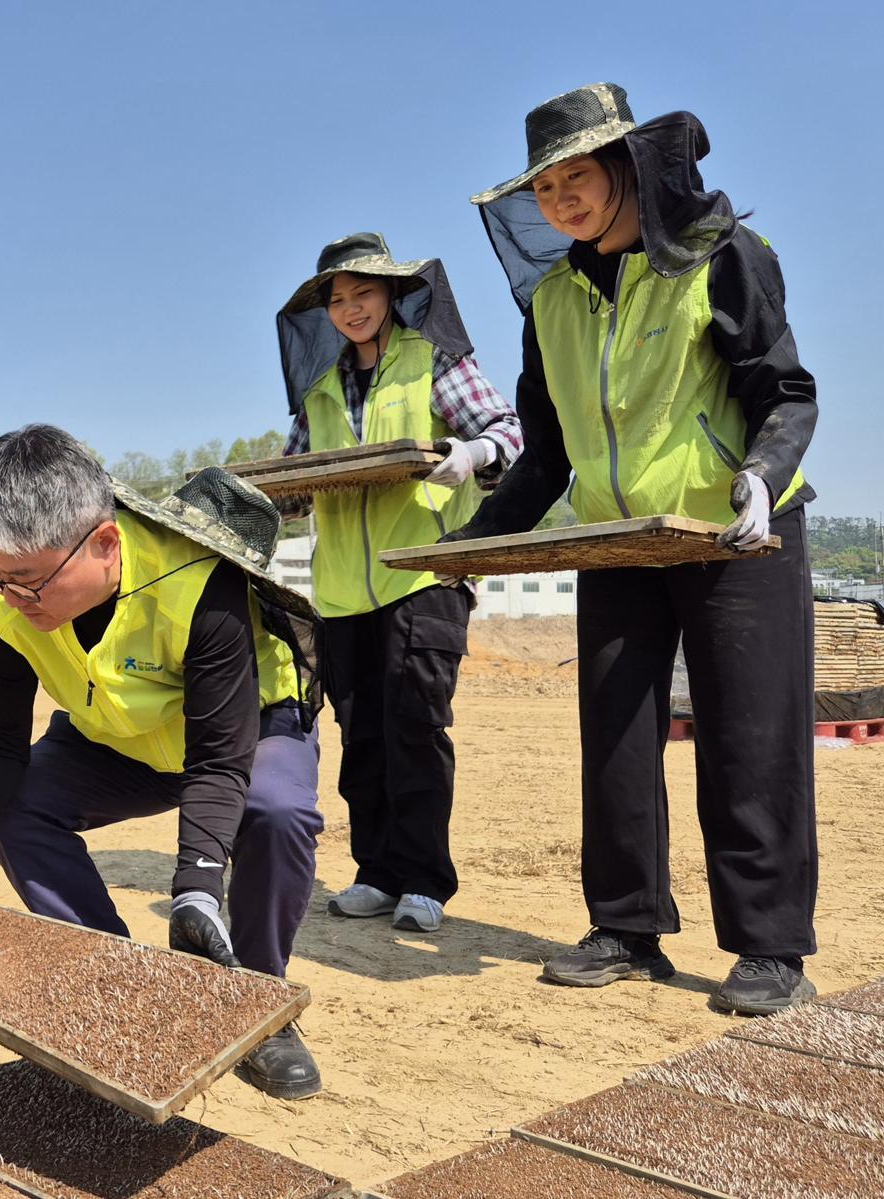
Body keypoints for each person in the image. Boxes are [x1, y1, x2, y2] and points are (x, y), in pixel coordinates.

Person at [457, 83, 818, 1014]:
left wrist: (763, 476)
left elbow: (784, 390)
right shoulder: (554, 303)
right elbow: (546, 454)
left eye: (577, 177)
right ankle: (625, 927)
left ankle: (770, 946)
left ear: (626, 168)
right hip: (618, 544)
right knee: (615, 737)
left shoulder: (720, 256)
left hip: (736, 537)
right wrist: (471, 541)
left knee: (750, 738)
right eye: (544, 190)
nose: (562, 202)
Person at [0, 425, 327, 1099]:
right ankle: (122, 985)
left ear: (105, 544)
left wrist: (197, 887)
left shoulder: (200, 580)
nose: (10, 596)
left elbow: (220, 762)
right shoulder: (2, 597)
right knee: (18, 801)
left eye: (28, 580)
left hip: (243, 730)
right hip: (121, 736)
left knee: (276, 810)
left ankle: (255, 1008)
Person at [275, 233, 522, 932]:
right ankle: (376, 871)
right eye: (339, 299)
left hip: (425, 570)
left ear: (392, 296)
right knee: (362, 732)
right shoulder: (318, 390)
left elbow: (510, 430)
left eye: (365, 293)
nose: (352, 309)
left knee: (416, 725)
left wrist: (470, 452)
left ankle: (424, 879)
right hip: (344, 588)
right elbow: (295, 483)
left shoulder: (433, 361)